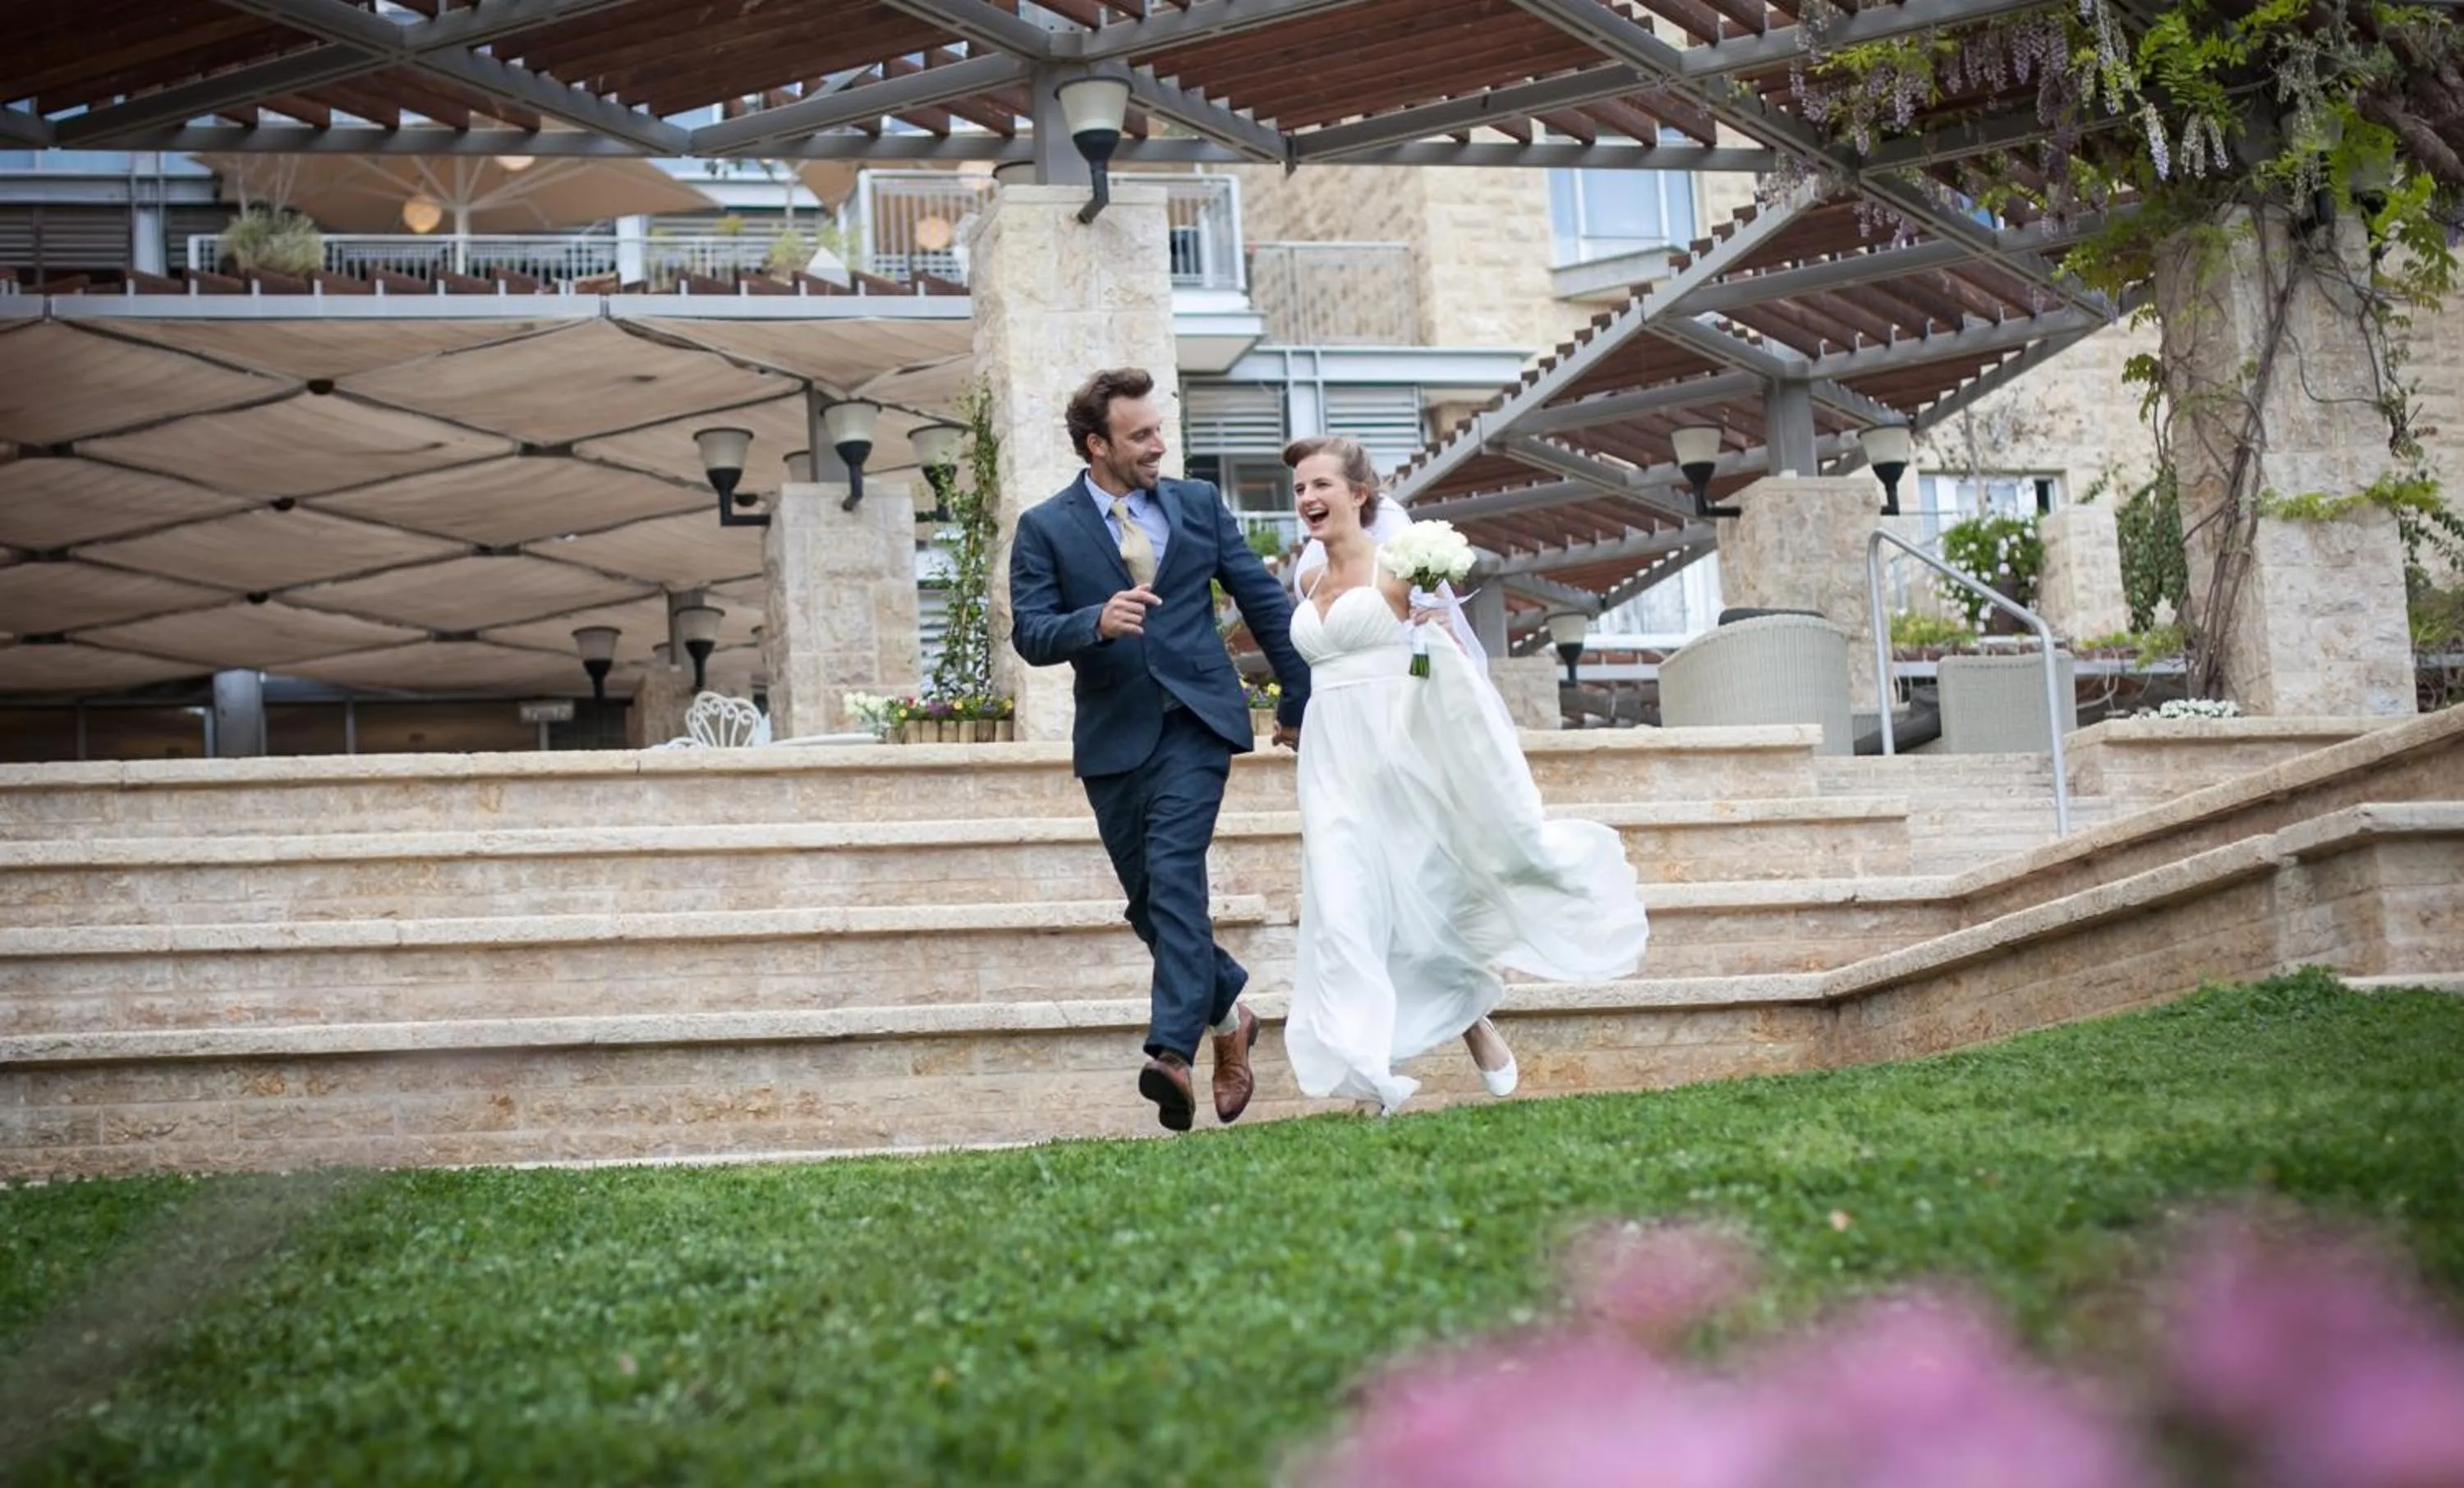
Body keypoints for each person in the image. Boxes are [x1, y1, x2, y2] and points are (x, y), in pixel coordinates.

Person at [1279, 435, 1650, 1114]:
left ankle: (1473, 1024)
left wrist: (1429, 633)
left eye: (1321, 485)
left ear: (1358, 495)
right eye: (1300, 488)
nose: (1307, 499)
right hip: (1329, 766)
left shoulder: (1398, 569)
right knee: (1341, 905)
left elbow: (1445, 670)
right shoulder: (1305, 582)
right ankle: (1370, 1069)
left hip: (1397, 755)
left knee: (1422, 907)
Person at [1007, 368, 1313, 1133]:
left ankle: (1170, 1053)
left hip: (1198, 721)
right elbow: (1030, 632)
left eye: (1158, 430)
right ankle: (1229, 1014)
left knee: (1176, 877)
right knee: (1150, 903)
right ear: (1096, 444)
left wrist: (1299, 699)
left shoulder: (1199, 504)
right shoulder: (1046, 527)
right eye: (1140, 434)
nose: (1158, 445)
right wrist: (1092, 622)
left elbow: (1262, 601)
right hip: (1113, 736)